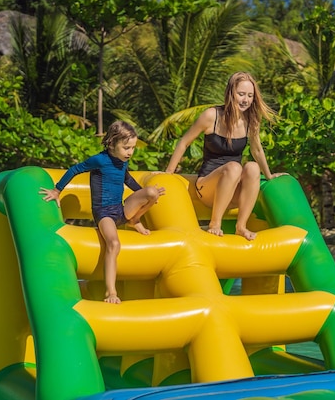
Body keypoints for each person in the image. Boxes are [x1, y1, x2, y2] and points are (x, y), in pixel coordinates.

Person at [40, 120, 165, 304]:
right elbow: (75, 169)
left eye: (132, 148)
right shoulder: (100, 160)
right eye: (126, 148)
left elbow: (127, 180)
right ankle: (111, 292)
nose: (130, 152)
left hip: (122, 209)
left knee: (153, 192)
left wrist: (144, 195)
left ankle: (134, 220)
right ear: (112, 144)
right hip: (104, 213)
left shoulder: (123, 161)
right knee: (113, 244)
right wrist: (57, 190)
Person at [165, 72, 286, 241]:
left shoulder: (251, 121)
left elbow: (257, 150)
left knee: (252, 167)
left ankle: (241, 226)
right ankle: (215, 224)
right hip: (207, 187)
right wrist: (169, 173)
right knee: (234, 167)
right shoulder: (211, 116)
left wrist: (269, 175)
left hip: (233, 191)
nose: (245, 100)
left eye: (250, 96)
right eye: (241, 94)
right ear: (230, 93)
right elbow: (184, 143)